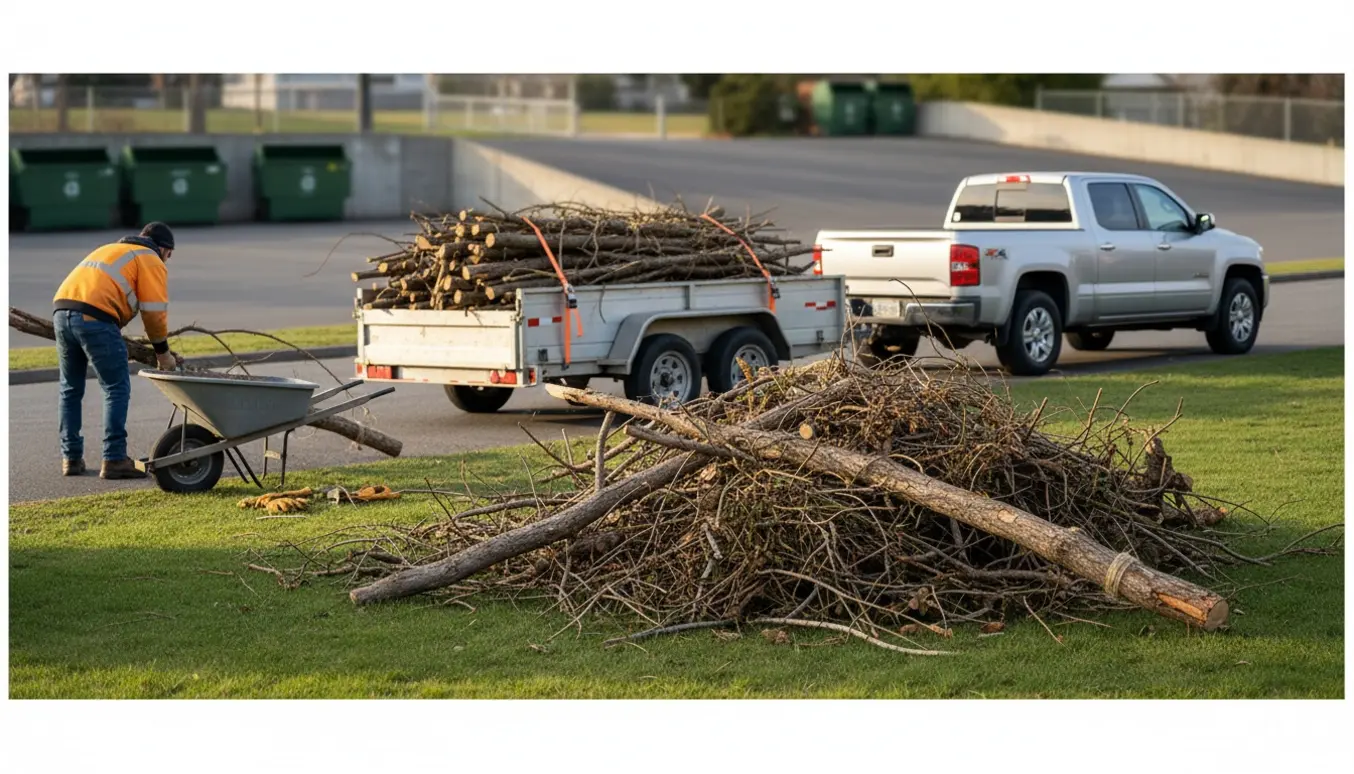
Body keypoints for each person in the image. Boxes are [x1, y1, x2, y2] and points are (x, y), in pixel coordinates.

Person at [53, 222, 181, 479]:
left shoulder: (111, 249)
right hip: (95, 319)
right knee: (116, 387)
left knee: (70, 388)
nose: (167, 260)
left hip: (61, 312)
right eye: (169, 255)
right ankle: (113, 459)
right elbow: (154, 314)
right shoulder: (150, 258)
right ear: (165, 249)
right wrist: (163, 353)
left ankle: (71, 458)